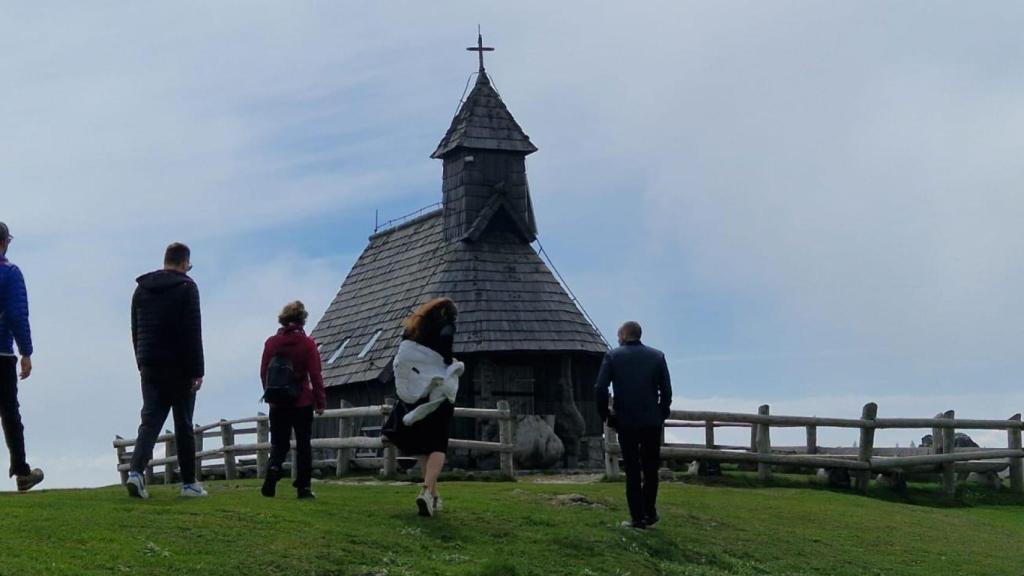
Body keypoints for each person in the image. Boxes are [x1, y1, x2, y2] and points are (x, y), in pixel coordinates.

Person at [126, 242, 206, 499]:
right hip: (180, 366)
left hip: (150, 364)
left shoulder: (141, 290)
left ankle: (136, 473)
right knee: (183, 424)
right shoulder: (187, 288)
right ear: (185, 263)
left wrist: (141, 360)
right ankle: (189, 484)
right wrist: (197, 370)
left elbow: (135, 329)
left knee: (149, 422)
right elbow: (193, 332)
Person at [383, 297, 463, 517]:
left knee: (425, 446)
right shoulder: (446, 326)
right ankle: (427, 491)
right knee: (438, 444)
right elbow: (446, 342)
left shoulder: (413, 328)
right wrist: (449, 360)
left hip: (416, 393)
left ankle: (433, 497)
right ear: (448, 314)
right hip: (436, 392)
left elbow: (405, 356)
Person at [594, 321, 672, 529]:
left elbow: (600, 388)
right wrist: (661, 414)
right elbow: (666, 391)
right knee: (651, 468)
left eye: (618, 335)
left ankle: (637, 517)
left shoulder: (613, 356)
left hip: (626, 421)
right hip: (651, 421)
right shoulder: (657, 357)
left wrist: (607, 416)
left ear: (623, 335)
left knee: (632, 470)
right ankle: (650, 512)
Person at [260, 301, 326, 499]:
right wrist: (320, 401)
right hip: (301, 401)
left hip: (278, 402)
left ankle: (274, 468)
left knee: (279, 443)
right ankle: (303, 488)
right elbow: (316, 374)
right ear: (302, 320)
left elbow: (264, 372)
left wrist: (269, 394)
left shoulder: (271, 342)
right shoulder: (307, 344)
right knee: (303, 445)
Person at [0, 222, 44, 492]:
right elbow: (17, 314)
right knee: (9, 413)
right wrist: (26, 351)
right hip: (2, 353)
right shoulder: (10, 273)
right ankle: (21, 471)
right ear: (5, 242)